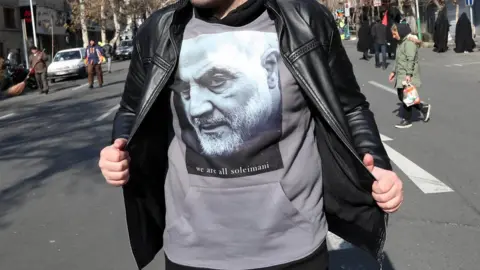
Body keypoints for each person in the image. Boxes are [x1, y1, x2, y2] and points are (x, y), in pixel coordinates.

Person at [99, 1, 404, 269]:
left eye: (217, 81)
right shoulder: (159, 30)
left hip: (295, 249)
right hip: (191, 251)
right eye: (188, 89)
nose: (200, 107)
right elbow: (130, 109)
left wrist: (376, 164)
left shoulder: (305, 20)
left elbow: (350, 107)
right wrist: (119, 147)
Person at [389, 24, 431, 129]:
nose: (393, 36)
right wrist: (393, 71)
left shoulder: (409, 44)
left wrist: (408, 74)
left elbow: (410, 60)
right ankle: (423, 108)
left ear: (401, 32)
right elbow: (399, 59)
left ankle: (407, 120)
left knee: (405, 96)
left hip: (407, 74)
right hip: (401, 73)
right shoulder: (401, 43)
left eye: (395, 34)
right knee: (403, 96)